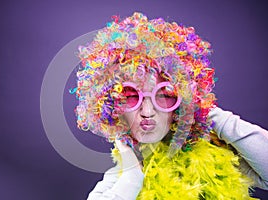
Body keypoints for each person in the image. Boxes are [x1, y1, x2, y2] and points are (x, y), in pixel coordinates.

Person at [74, 12, 268, 199]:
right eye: (132, 96)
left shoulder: (220, 161)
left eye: (165, 96)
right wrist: (132, 176)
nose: (148, 112)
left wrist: (206, 112)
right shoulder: (118, 182)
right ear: (113, 107)